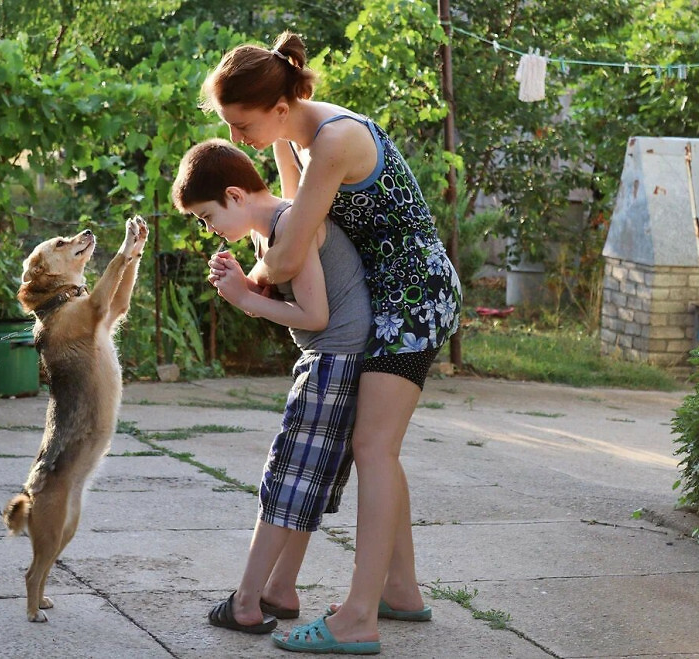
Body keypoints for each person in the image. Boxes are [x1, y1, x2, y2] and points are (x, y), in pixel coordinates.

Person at [202, 31, 462, 654]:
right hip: (388, 297)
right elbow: (294, 213)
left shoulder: (335, 140)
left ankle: (357, 618)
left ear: (279, 108)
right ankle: (401, 588)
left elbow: (290, 251)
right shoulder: (300, 134)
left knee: (372, 447)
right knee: (375, 446)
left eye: (242, 125)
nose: (239, 140)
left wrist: (246, 289)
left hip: (412, 298)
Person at [171, 138, 372, 637]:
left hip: (333, 359)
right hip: (337, 360)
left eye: (206, 215)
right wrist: (245, 283)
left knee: (285, 480)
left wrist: (243, 297)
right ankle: (281, 588)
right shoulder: (273, 229)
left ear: (236, 196)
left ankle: (245, 601)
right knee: (306, 481)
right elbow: (288, 173)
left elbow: (314, 315)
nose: (208, 228)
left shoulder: (288, 227)